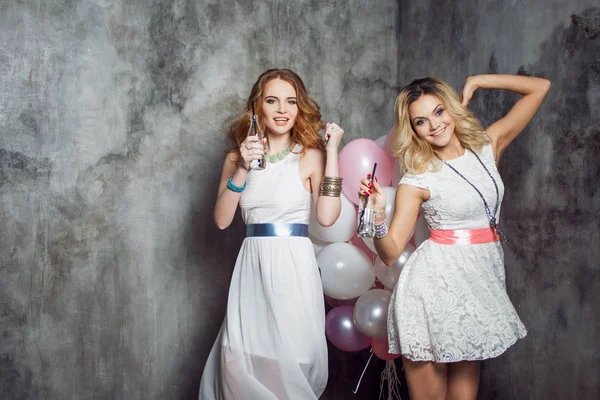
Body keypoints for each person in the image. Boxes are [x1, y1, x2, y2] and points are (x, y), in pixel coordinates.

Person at [359, 74, 551, 400]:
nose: (433, 125)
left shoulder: (487, 148)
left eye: (438, 111)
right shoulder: (416, 179)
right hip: (432, 291)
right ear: (413, 130)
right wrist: (378, 215)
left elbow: (540, 88)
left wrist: (479, 81)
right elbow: (390, 253)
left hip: (478, 285)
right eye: (421, 121)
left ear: (451, 108)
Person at [199, 68, 344, 400]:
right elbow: (222, 221)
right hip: (252, 271)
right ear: (257, 106)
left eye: (291, 101)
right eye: (272, 101)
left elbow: (327, 216)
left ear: (299, 107)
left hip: (294, 270)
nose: (282, 110)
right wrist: (242, 168)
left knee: (292, 362)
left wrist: (332, 151)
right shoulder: (237, 157)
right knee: (243, 362)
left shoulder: (310, 156)